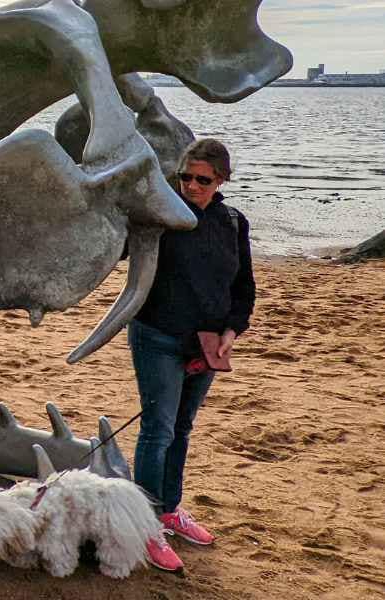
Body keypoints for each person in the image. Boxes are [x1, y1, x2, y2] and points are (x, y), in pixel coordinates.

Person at [130, 138, 256, 572]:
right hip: (157, 337)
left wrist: (231, 332)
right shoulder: (160, 218)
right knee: (158, 430)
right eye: (185, 177)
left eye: (203, 180)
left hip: (207, 345)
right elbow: (119, 248)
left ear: (221, 180)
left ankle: (168, 510)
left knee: (182, 429)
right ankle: (146, 525)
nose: (192, 186)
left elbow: (243, 288)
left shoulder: (233, 223)